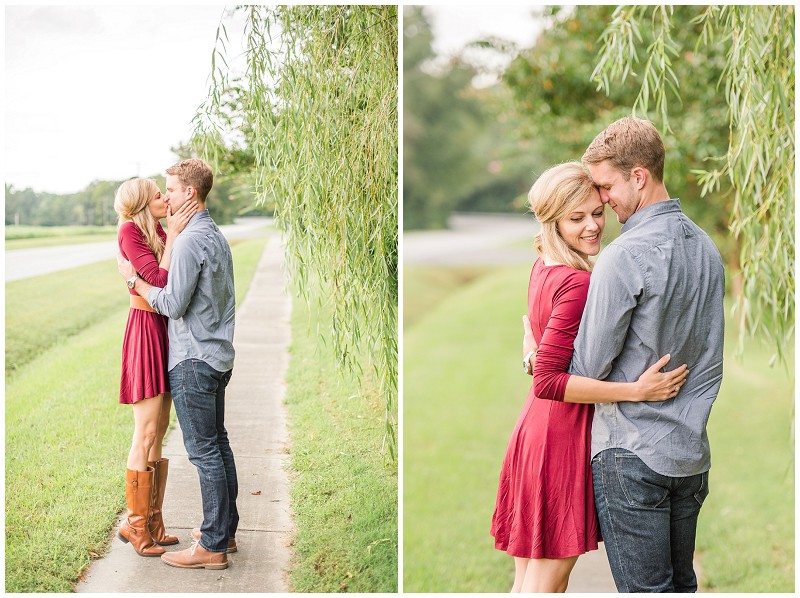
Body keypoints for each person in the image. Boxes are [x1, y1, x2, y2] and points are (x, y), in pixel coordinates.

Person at [490, 162, 689, 593]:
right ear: (553, 222)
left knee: (528, 579)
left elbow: (540, 354)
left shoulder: (543, 263)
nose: (593, 226)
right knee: (548, 582)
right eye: (576, 219)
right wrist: (636, 390)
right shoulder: (577, 282)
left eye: (596, 213)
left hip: (537, 428)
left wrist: (532, 354)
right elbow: (548, 379)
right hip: (560, 435)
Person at [571, 117, 725, 592]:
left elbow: (587, 367)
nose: (601, 199)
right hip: (690, 459)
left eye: (605, 185)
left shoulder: (623, 256)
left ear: (639, 175)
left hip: (631, 453)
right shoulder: (707, 248)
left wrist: (537, 353)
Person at [118, 158, 239, 570]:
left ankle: (213, 543)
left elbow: (170, 302)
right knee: (215, 446)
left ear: (189, 192)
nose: (165, 196)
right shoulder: (215, 234)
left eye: (169, 189)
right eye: (159, 191)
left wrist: (134, 283)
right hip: (216, 353)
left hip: (193, 357)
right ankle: (220, 531)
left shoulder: (187, 240)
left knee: (205, 451)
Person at [114, 178, 197, 557]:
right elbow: (160, 281)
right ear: (144, 203)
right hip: (145, 331)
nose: (165, 198)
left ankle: (153, 521)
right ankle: (134, 524)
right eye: (158, 195)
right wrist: (176, 234)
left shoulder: (156, 230)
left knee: (160, 430)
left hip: (163, 329)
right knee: (145, 431)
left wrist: (173, 233)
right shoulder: (131, 231)